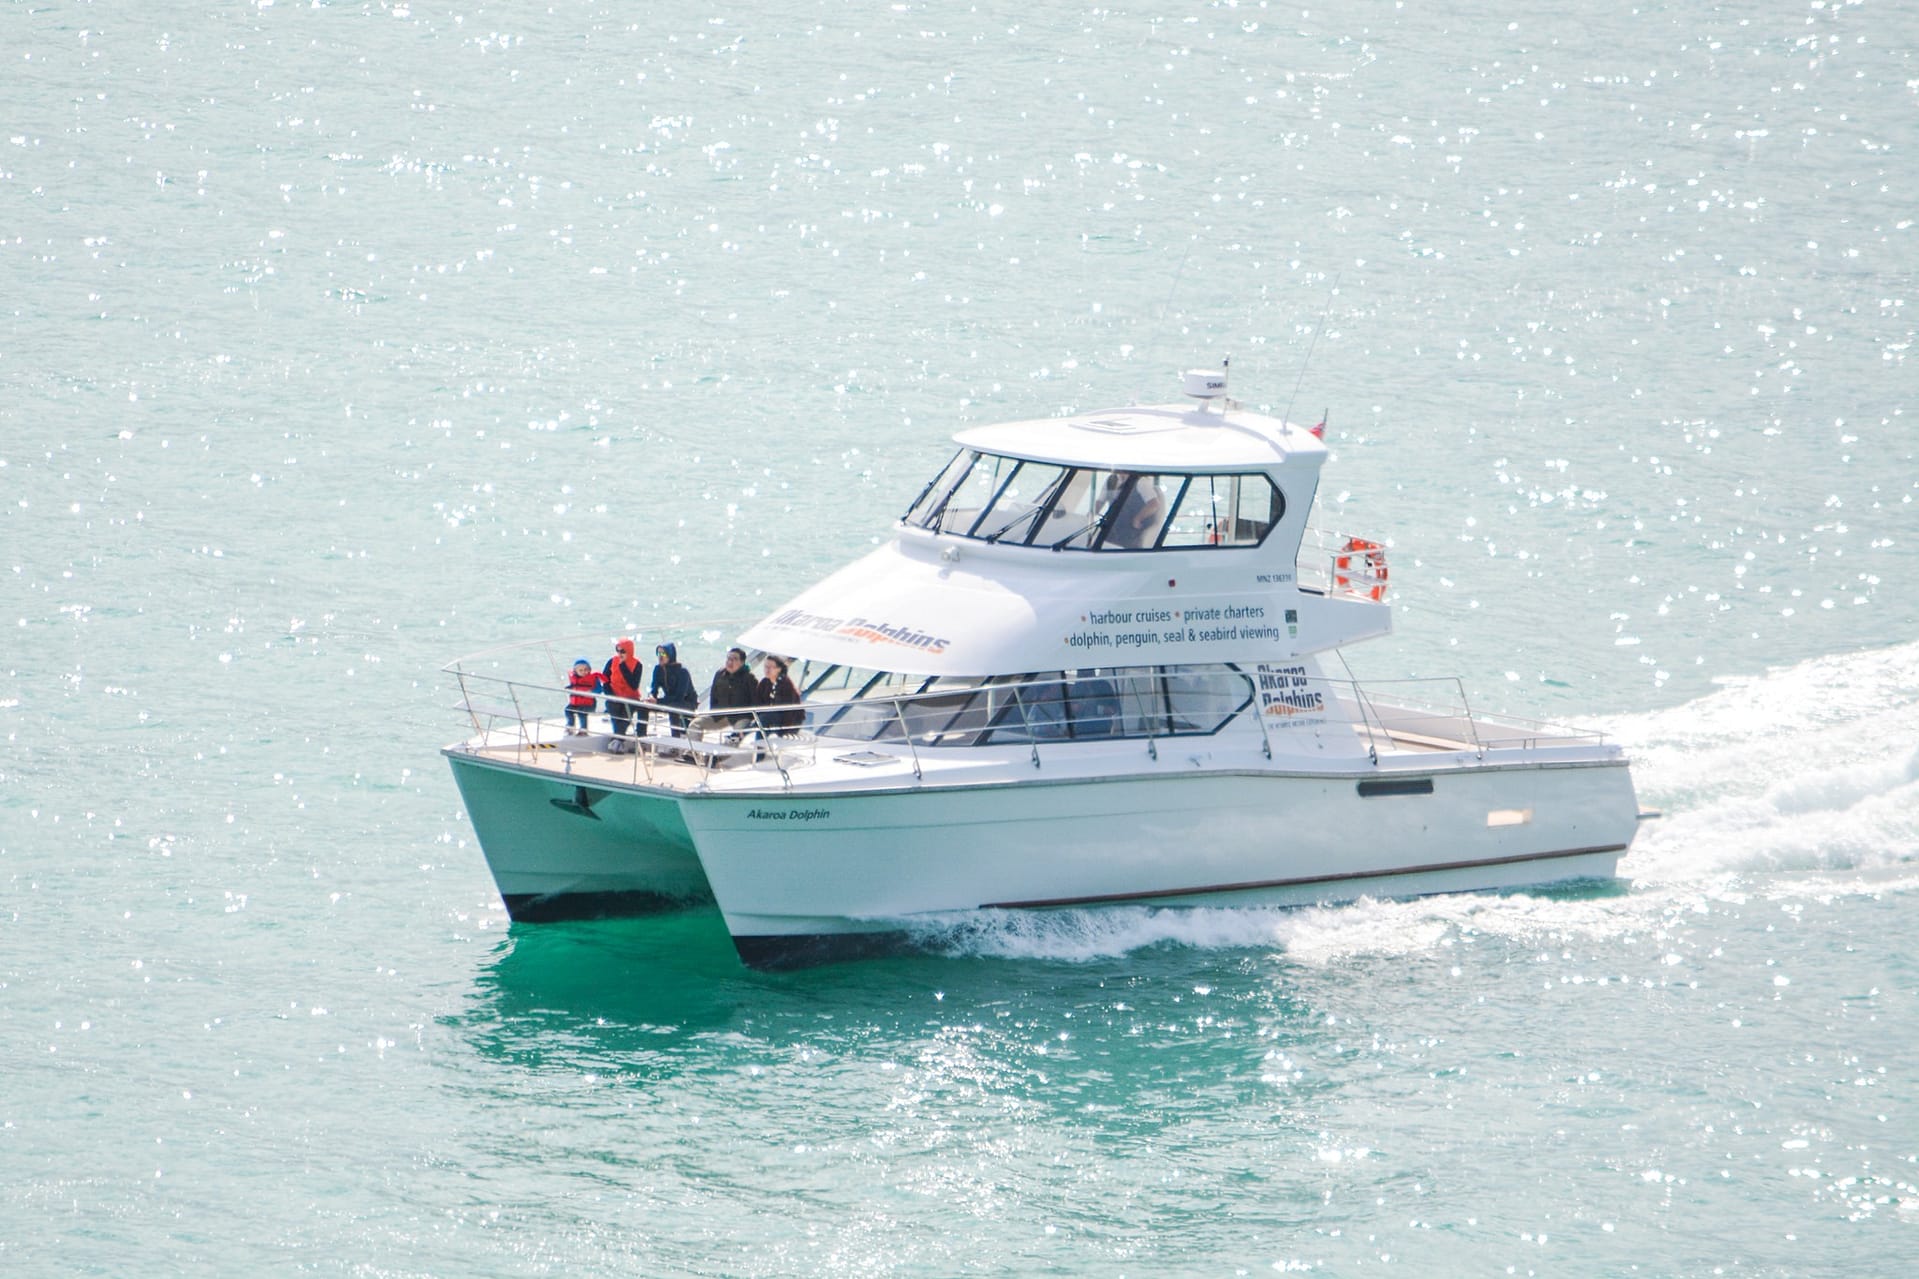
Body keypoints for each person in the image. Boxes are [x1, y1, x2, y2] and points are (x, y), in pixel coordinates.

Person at [1101, 471, 1165, 548]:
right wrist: (1091, 514)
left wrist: (1137, 519)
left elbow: (1154, 504)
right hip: (1112, 528)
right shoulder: (1111, 480)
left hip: (1131, 530)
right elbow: (1100, 501)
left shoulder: (1141, 482)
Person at [647, 641, 699, 736]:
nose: (660, 656)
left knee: (673, 708)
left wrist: (658, 702)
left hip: (686, 702)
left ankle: (676, 739)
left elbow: (679, 696)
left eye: (663, 653)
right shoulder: (658, 669)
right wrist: (651, 697)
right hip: (669, 700)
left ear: (670, 654)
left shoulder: (682, 671)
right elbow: (653, 687)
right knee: (643, 706)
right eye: (658, 653)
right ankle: (641, 736)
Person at [707, 647, 758, 733]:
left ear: (742, 662)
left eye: (734, 659)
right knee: (695, 725)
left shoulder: (749, 678)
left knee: (735, 735)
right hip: (721, 716)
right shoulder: (719, 674)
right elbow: (713, 696)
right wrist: (713, 713)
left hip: (741, 717)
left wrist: (752, 719)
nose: (730, 662)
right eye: (728, 658)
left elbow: (755, 701)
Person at [601, 638, 645, 736]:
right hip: (614, 697)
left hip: (631, 698)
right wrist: (610, 695)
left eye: (623, 651)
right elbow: (605, 680)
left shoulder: (638, 665)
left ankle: (617, 739)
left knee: (625, 716)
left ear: (629, 651)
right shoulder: (611, 661)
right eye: (618, 651)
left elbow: (634, 685)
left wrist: (623, 667)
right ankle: (618, 740)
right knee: (614, 711)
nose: (620, 654)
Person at [754, 654, 803, 735]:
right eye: (765, 667)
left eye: (770, 667)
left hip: (789, 723)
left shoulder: (785, 684)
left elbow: (788, 710)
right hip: (773, 719)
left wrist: (783, 731)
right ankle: (739, 735)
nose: (767, 670)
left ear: (778, 669)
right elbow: (758, 703)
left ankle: (758, 745)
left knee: (764, 719)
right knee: (758, 718)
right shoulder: (764, 682)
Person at [563, 657, 602, 734]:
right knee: (568, 710)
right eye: (581, 670)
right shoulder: (575, 679)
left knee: (581, 713)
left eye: (586, 669)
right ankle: (570, 726)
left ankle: (583, 729)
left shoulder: (593, 679)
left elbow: (600, 689)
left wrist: (591, 692)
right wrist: (569, 688)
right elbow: (573, 686)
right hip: (575, 703)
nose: (584, 672)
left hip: (588, 704)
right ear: (575, 671)